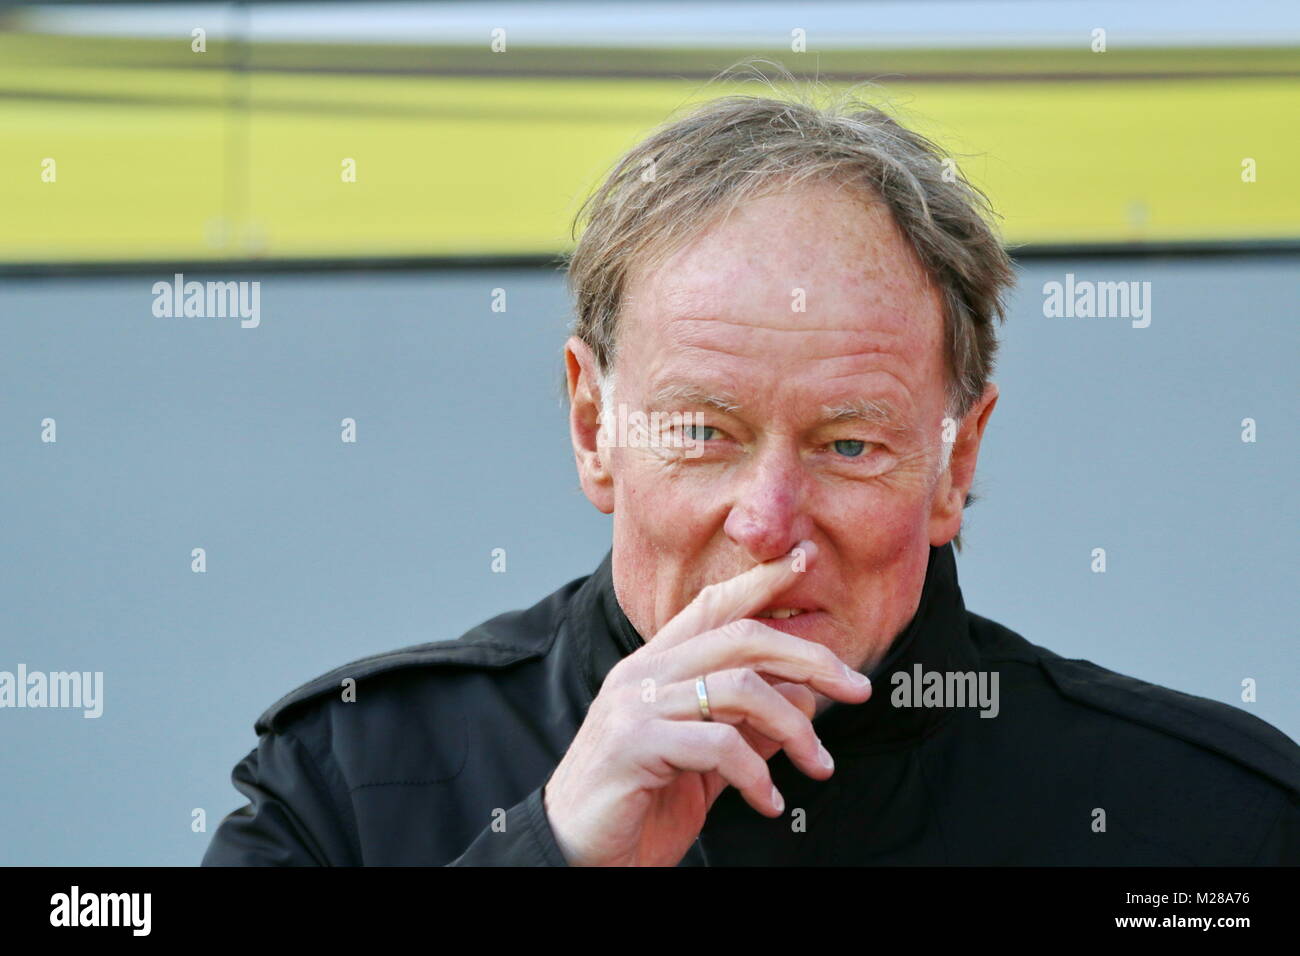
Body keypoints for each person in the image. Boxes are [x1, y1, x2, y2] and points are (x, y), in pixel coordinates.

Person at [202, 86, 1299, 866]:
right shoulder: (351, 779)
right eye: (704, 431)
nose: (771, 523)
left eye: (848, 444)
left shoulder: (1208, 819)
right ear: (594, 426)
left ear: (954, 461)